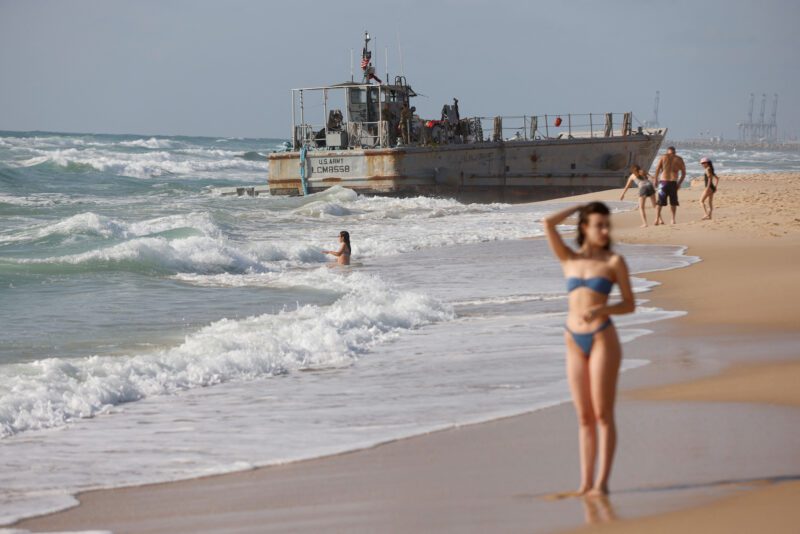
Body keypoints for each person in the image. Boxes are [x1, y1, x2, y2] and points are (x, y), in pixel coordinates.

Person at [543, 202, 636, 496]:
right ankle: (584, 483)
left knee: (603, 415)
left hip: (601, 337)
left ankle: (601, 484)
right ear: (585, 228)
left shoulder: (613, 262)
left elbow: (630, 304)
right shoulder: (568, 258)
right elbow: (547, 223)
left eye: (607, 225)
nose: (606, 230)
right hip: (572, 338)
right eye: (599, 225)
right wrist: (579, 207)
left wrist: (602, 311)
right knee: (583, 417)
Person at [653, 146, 686, 225]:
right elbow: (684, 173)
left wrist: (655, 179)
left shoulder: (663, 157)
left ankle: (657, 219)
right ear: (675, 152)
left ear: (668, 151)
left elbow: (657, 169)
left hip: (663, 182)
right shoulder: (679, 159)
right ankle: (673, 220)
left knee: (660, 202)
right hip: (673, 182)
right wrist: (679, 183)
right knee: (673, 202)